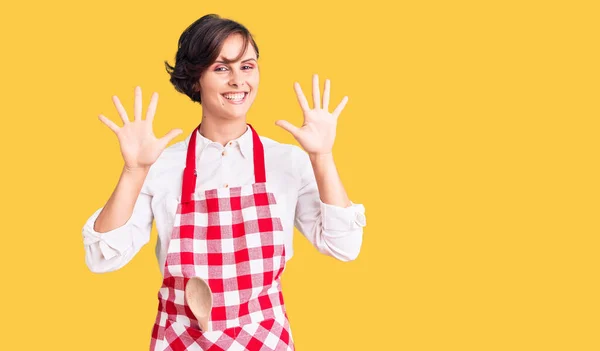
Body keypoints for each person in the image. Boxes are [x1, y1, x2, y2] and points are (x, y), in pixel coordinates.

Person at [82, 13, 367, 351]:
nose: (238, 80)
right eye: (221, 68)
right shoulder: (159, 165)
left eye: (247, 66)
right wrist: (133, 171)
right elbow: (101, 258)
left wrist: (322, 157)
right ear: (194, 79)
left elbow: (344, 246)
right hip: (181, 340)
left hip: (265, 340)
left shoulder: (289, 161)